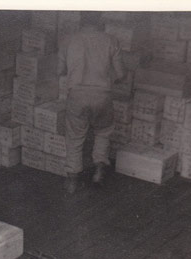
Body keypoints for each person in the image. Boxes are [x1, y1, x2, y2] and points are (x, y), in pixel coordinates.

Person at [57, 11, 125, 194]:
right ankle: (99, 171)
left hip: (77, 95)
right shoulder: (111, 40)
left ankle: (72, 181)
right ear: (100, 20)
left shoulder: (68, 40)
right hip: (103, 95)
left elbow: (59, 70)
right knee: (103, 132)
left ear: (80, 19)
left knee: (75, 137)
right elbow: (120, 74)